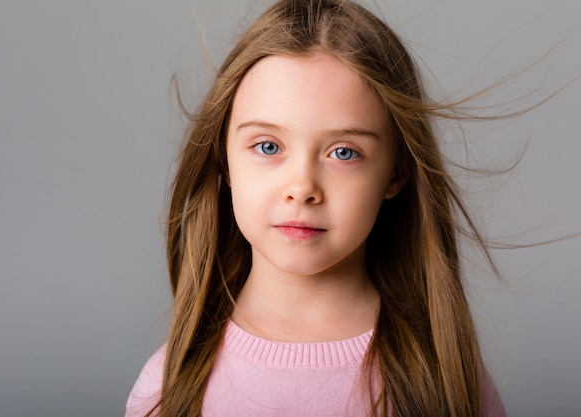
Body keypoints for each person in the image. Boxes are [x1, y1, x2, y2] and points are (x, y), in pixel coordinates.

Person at [126, 0, 508, 416]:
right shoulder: (167, 389)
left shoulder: (446, 381)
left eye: (343, 152)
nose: (302, 188)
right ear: (224, 158)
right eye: (268, 146)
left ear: (396, 174)